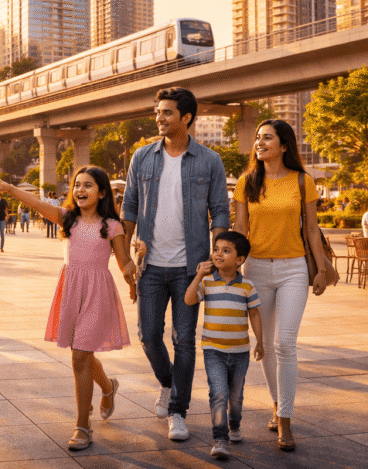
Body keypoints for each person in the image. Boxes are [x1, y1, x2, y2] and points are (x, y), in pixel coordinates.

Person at [0, 167, 137, 452]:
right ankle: (108, 387)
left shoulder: (112, 226)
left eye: (88, 185)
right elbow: (36, 203)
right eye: (77, 185)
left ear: (102, 192)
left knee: (81, 355)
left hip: (97, 294)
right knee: (82, 353)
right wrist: (10, 189)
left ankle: (82, 425)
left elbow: (123, 262)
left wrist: (134, 269)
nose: (80, 190)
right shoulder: (66, 218)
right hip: (71, 291)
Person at [122, 87, 230, 441]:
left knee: (185, 341)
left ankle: (178, 411)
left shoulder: (209, 160)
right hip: (150, 266)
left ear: (187, 117)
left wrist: (216, 257)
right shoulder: (142, 157)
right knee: (149, 336)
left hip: (191, 269)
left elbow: (220, 212)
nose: (159, 118)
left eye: (167, 113)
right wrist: (124, 259)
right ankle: (168, 384)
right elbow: (130, 211)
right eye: (158, 112)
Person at [233, 119, 330, 452]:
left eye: (267, 138)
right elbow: (241, 229)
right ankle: (277, 404)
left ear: (284, 145)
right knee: (265, 344)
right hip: (256, 270)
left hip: (293, 270)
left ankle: (285, 421)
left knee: (285, 342)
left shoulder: (303, 181)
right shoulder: (247, 183)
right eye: (257, 137)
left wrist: (319, 268)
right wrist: (227, 267)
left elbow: (312, 230)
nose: (260, 142)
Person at [184, 231, 263, 460]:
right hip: (213, 350)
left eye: (226, 251)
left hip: (240, 352)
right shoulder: (208, 282)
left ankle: (234, 424)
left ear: (240, 260)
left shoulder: (247, 286)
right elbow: (189, 299)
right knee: (218, 393)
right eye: (216, 249)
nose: (218, 254)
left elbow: (255, 315)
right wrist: (199, 275)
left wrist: (260, 341)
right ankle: (220, 438)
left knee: (235, 396)